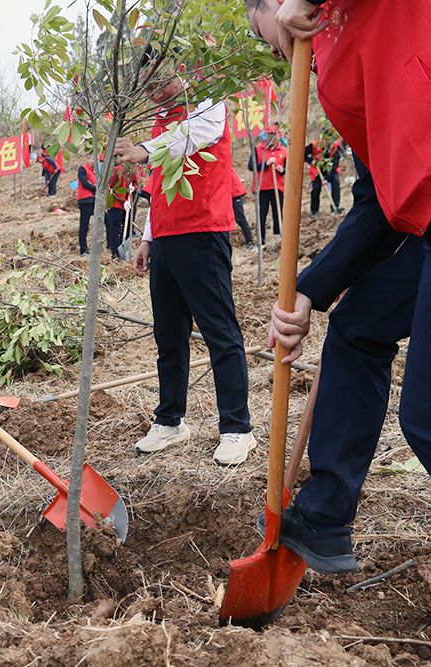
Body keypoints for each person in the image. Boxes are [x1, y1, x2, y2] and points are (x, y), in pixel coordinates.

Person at [247, 0, 431, 573]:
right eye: (276, 45)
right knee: (357, 325)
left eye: (269, 29)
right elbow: (378, 199)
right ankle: (323, 517)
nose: (280, 51)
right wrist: (309, 291)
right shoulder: (332, 72)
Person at [114, 60, 256, 466]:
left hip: (203, 232)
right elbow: (160, 180)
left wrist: (143, 149)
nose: (154, 91)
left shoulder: (206, 102)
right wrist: (147, 238)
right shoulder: (162, 118)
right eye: (146, 86)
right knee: (168, 336)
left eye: (159, 80)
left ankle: (236, 427)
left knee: (219, 332)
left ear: (180, 69)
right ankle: (170, 420)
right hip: (167, 239)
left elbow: (190, 138)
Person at [247, 130, 287, 245]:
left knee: (278, 212)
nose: (272, 138)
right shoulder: (258, 150)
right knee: (262, 214)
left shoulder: (284, 151)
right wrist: (266, 163)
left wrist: (282, 170)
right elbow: (251, 166)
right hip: (262, 188)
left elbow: (288, 169)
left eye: (274, 135)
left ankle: (278, 239)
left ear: (278, 137)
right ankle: (261, 242)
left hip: (277, 187)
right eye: (269, 135)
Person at [105, 163, 128, 259]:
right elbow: (112, 189)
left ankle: (120, 249)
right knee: (115, 229)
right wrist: (123, 201)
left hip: (124, 204)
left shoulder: (128, 171)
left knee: (122, 228)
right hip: (116, 205)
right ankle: (115, 252)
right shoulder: (116, 171)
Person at [230, 168, 257, 249]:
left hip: (235, 194)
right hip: (227, 195)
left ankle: (250, 243)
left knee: (240, 219)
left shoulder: (223, 166)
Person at [77, 161, 97, 255]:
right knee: (84, 225)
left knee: (107, 219)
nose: (94, 162)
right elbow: (85, 184)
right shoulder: (83, 169)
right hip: (84, 200)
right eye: (93, 159)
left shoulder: (94, 172)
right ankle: (83, 249)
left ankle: (108, 246)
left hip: (93, 199)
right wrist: (97, 189)